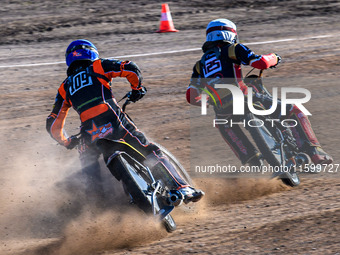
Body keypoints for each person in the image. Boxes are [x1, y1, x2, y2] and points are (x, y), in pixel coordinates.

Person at [46, 39, 204, 205]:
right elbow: (131, 69)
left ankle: (96, 211)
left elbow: (53, 124)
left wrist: (67, 141)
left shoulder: (64, 88)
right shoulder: (98, 66)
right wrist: (137, 88)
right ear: (91, 53)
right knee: (149, 151)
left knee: (90, 174)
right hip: (113, 121)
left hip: (89, 134)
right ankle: (181, 188)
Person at [186, 19, 333, 167]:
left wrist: (211, 100)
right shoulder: (233, 49)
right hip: (243, 98)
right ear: (231, 34)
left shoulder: (200, 65)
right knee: (293, 109)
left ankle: (252, 161)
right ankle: (315, 151)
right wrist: (274, 58)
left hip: (222, 110)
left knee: (223, 124)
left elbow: (191, 97)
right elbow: (260, 63)